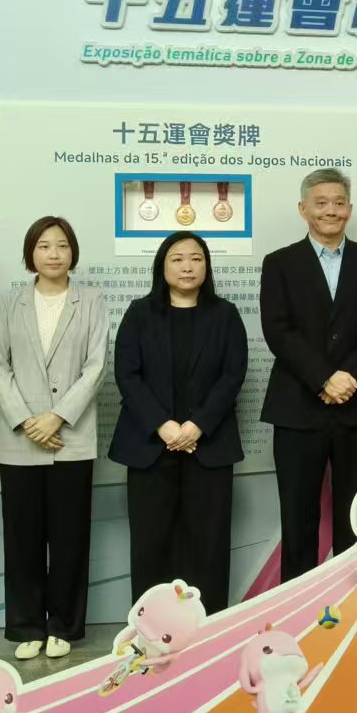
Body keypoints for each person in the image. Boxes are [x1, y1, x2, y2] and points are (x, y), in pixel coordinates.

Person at [261, 168, 357, 581]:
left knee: (355, 512)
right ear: (303, 209)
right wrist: (324, 378)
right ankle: (297, 602)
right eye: (321, 203)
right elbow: (277, 330)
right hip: (297, 405)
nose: (331, 211)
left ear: (349, 209)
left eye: (338, 203)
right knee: (297, 513)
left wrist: (347, 377)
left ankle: (351, 597)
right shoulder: (280, 263)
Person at [0, 217, 107, 660]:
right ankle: (27, 627)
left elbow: (96, 366)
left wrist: (57, 417)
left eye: (61, 245)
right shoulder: (10, 302)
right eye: (43, 246)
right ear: (30, 253)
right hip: (20, 440)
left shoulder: (91, 301)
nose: (53, 254)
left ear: (73, 252)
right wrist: (25, 420)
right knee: (23, 539)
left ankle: (64, 626)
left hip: (71, 437)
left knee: (70, 537)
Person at [108, 232, 247, 616]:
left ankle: (208, 625)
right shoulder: (139, 313)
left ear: (206, 266)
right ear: (162, 266)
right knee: (151, 544)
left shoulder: (225, 314)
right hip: (151, 447)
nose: (188, 267)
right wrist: (163, 425)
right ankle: (151, 626)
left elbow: (232, 375)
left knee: (208, 544)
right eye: (178, 259)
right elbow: (128, 375)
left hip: (209, 446)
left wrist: (198, 425)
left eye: (196, 259)